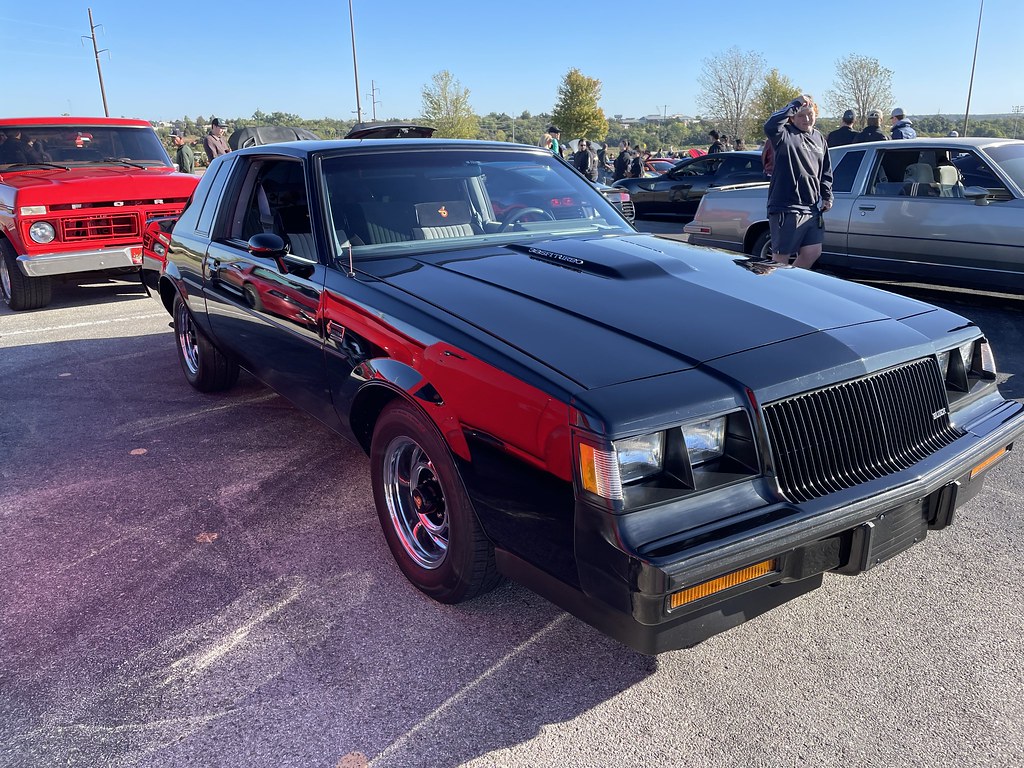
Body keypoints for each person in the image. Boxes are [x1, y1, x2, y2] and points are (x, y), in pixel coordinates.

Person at [763, 94, 833, 270]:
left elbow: (826, 170)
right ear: (792, 117)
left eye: (810, 114)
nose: (806, 119)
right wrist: (795, 103)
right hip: (787, 207)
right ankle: (776, 286)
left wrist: (827, 195)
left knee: (812, 252)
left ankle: (789, 282)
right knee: (780, 259)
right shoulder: (784, 134)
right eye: (801, 115)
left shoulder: (819, 138)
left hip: (811, 207)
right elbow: (770, 125)